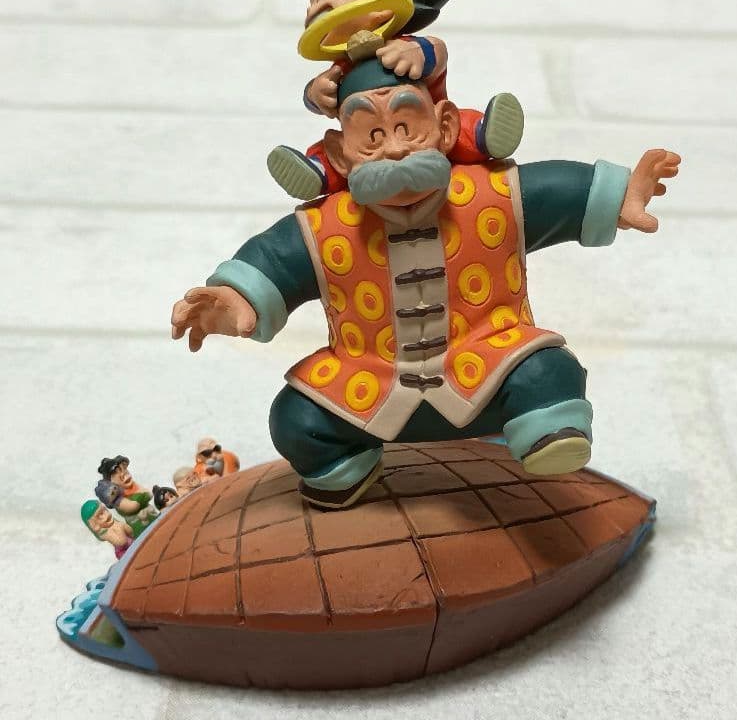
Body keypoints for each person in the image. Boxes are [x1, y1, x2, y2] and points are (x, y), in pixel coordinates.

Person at [171, 57, 680, 510]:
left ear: (445, 127)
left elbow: (559, 191)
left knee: (549, 371)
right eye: (372, 138)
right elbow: (274, 260)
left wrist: (620, 196)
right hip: (368, 388)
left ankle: (543, 436)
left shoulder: (494, 195)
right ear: (340, 155)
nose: (394, 152)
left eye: (406, 129)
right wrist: (235, 298)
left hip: (490, 372)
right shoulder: (326, 226)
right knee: (295, 419)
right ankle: (345, 473)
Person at [267, 0, 524, 200]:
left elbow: (437, 51)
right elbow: (315, 99)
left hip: (426, 128)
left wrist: (417, 54)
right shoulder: (342, 67)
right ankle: (317, 171)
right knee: (339, 150)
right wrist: (315, 93)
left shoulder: (405, 45)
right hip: (366, 144)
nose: (315, 7)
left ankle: (485, 134)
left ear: (383, 2)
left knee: (457, 124)